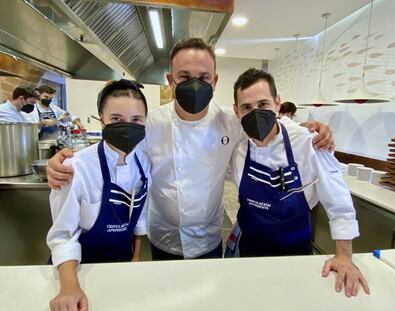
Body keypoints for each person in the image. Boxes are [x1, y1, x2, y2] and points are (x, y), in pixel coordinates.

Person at [46, 38, 334, 261]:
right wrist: (63, 164)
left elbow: (272, 128)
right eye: (184, 77)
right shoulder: (151, 124)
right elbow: (114, 152)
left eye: (204, 77)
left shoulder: (230, 123)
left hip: (208, 239)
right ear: (170, 80)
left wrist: (314, 129)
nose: (194, 85)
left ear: (215, 81)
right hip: (162, 239)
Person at [228, 68, 369, 297]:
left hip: (295, 251)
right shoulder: (237, 147)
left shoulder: (308, 143)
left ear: (277, 104)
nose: (256, 113)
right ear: (236, 111)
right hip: (249, 250)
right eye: (246, 107)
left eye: (263, 104)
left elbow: (339, 201)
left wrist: (344, 256)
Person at [47, 80, 151, 311]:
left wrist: (135, 260)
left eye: (136, 120)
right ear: (101, 119)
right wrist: (70, 287)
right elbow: (63, 236)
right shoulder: (76, 167)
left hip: (122, 268)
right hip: (78, 272)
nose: (127, 126)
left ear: (145, 120)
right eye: (116, 119)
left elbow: (138, 219)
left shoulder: (143, 162)